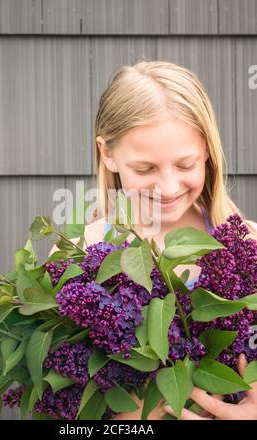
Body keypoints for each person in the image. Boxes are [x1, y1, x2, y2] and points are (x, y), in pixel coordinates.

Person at [50, 60, 257, 419]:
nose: (169, 187)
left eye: (185, 164)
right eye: (145, 169)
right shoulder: (76, 256)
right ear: (108, 153)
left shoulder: (250, 247)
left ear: (207, 150)